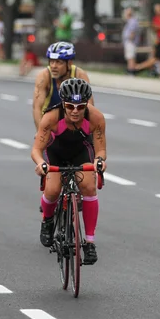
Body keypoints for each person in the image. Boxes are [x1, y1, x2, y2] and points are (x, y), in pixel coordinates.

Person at [31, 78, 107, 265]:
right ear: (63, 104)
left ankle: (89, 243)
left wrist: (99, 161)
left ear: (86, 104)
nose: (75, 111)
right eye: (70, 106)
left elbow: (100, 150)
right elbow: (36, 150)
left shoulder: (96, 118)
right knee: (53, 189)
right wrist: (41, 164)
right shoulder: (51, 117)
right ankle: (47, 221)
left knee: (89, 187)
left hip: (80, 151)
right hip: (55, 152)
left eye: (80, 106)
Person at [32, 41, 93, 132]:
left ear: (69, 63)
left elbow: (89, 106)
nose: (53, 66)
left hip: (74, 121)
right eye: (51, 62)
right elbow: (37, 107)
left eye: (58, 62)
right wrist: (41, 132)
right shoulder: (44, 76)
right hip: (49, 122)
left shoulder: (80, 75)